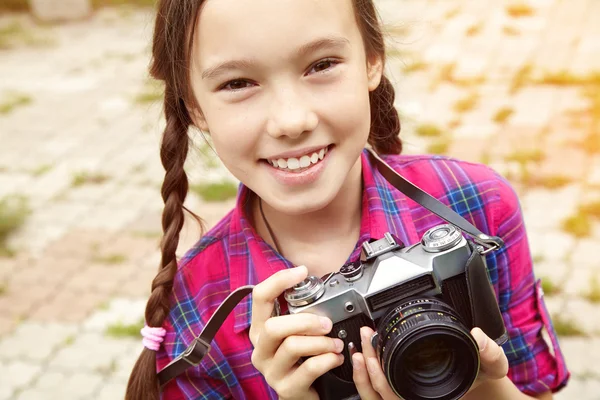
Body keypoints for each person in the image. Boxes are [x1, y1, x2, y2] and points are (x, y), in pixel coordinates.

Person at [125, 0, 570, 399]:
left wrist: (482, 386)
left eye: (321, 65)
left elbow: (537, 391)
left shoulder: (477, 205)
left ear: (372, 60)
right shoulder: (197, 309)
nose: (291, 120)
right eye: (238, 82)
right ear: (194, 107)